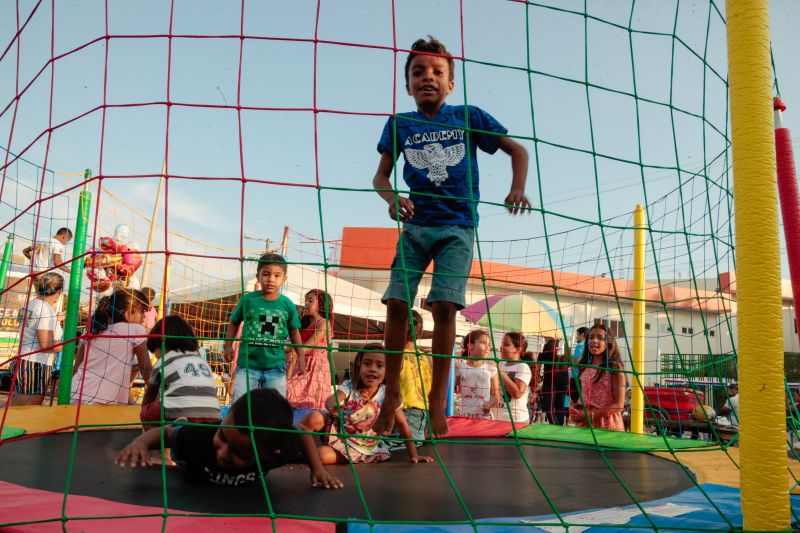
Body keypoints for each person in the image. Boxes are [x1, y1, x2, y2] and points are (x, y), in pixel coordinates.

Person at [372, 36, 530, 438]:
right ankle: (391, 390)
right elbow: (380, 176)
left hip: (457, 226)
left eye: (437, 72)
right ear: (407, 84)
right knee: (395, 301)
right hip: (416, 227)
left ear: (450, 84)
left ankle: (436, 391)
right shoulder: (401, 124)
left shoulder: (467, 116)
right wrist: (392, 198)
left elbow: (518, 151)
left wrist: (517, 188)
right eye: (418, 72)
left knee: (445, 306)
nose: (428, 78)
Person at [116, 388, 343, 489]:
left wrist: (318, 470)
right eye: (223, 437)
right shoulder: (202, 439)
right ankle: (183, 421)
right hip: (191, 453)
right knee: (179, 431)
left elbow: (301, 431)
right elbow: (164, 433)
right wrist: (140, 443)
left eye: (240, 453)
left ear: (268, 454)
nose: (223, 453)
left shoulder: (280, 449)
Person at [300, 344, 432, 465]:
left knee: (320, 455)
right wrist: (334, 405)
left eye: (379, 366)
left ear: (388, 371)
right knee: (314, 417)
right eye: (367, 364)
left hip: (359, 447)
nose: (372, 369)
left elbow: (403, 426)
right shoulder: (351, 386)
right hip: (340, 430)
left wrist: (413, 455)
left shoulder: (389, 396)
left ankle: (299, 454)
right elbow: (332, 399)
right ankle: (293, 444)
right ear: (359, 366)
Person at [223, 253, 305, 402]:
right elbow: (234, 322)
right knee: (241, 403)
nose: (271, 279)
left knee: (275, 405)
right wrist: (228, 345)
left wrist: (300, 355)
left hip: (275, 365)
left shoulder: (287, 304)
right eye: (266, 274)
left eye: (277, 275)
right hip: (248, 364)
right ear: (258, 276)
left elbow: (294, 331)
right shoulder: (248, 300)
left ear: (284, 279)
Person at [71, 289, 152, 405]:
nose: (144, 317)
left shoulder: (92, 330)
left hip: (77, 393)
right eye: (142, 311)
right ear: (128, 314)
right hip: (105, 402)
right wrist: (161, 397)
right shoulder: (135, 330)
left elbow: (77, 367)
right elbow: (146, 369)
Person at [140, 315, 221, 425]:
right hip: (213, 415)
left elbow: (149, 395)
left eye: (155, 352)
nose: (156, 356)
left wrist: (144, 411)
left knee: (146, 413)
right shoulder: (201, 361)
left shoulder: (163, 361)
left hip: (180, 411)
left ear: (162, 343)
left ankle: (159, 437)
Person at [6, 272, 64, 406]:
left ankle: (9, 426)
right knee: (28, 409)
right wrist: (71, 345)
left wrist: (54, 319)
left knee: (18, 405)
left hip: (25, 359)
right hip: (35, 364)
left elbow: (32, 327)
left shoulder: (31, 304)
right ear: (59, 291)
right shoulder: (45, 309)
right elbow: (45, 344)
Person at [568, 324, 626, 431]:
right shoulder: (584, 367)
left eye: (600, 338)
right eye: (591, 337)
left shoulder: (614, 368)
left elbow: (618, 405)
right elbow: (585, 397)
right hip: (585, 424)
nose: (594, 340)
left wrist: (590, 415)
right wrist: (575, 407)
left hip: (607, 424)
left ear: (608, 342)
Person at [287, 289, 334, 409]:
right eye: (306, 300)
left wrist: (293, 351)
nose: (306, 303)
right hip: (298, 362)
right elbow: (292, 344)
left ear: (321, 305)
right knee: (287, 394)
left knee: (302, 397)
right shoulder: (303, 323)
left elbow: (310, 345)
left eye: (310, 301)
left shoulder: (324, 323)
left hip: (315, 367)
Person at [398, 310, 432, 443]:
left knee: (405, 445)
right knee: (414, 443)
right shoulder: (424, 357)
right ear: (421, 333)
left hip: (406, 411)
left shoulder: (396, 356)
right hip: (424, 410)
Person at [455, 330, 500, 420]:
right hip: (464, 414)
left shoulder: (491, 368)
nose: (487, 347)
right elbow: (452, 389)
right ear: (470, 345)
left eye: (489, 344)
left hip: (483, 415)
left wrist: (489, 404)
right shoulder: (460, 366)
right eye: (483, 342)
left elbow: (496, 397)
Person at [493, 332, 532, 424]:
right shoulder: (500, 364)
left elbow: (517, 394)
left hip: (516, 420)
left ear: (518, 349)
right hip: (496, 418)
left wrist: (500, 372)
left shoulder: (523, 367)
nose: (501, 347)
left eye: (506, 344)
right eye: (502, 344)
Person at [538, 338, 569, 425]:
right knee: (560, 407)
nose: (544, 338)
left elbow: (540, 361)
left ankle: (556, 427)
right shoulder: (566, 346)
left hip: (551, 381)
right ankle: (559, 428)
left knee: (548, 407)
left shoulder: (548, 346)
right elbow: (570, 363)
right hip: (564, 380)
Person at [569, 327, 588, 402]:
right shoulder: (588, 346)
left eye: (577, 334)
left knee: (575, 400)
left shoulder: (580, 345)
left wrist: (570, 357)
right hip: (585, 377)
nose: (576, 337)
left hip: (576, 377)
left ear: (582, 334)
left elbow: (576, 361)